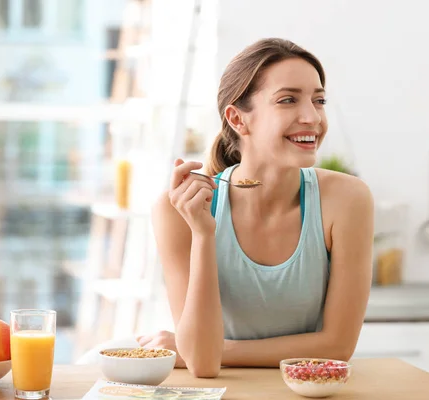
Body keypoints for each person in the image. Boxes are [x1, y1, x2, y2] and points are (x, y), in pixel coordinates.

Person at [137, 38, 374, 378]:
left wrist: (209, 349)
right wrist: (204, 235)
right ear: (237, 119)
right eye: (288, 100)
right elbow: (203, 365)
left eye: (318, 100)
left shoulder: (347, 199)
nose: (312, 116)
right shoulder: (179, 209)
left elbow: (337, 347)